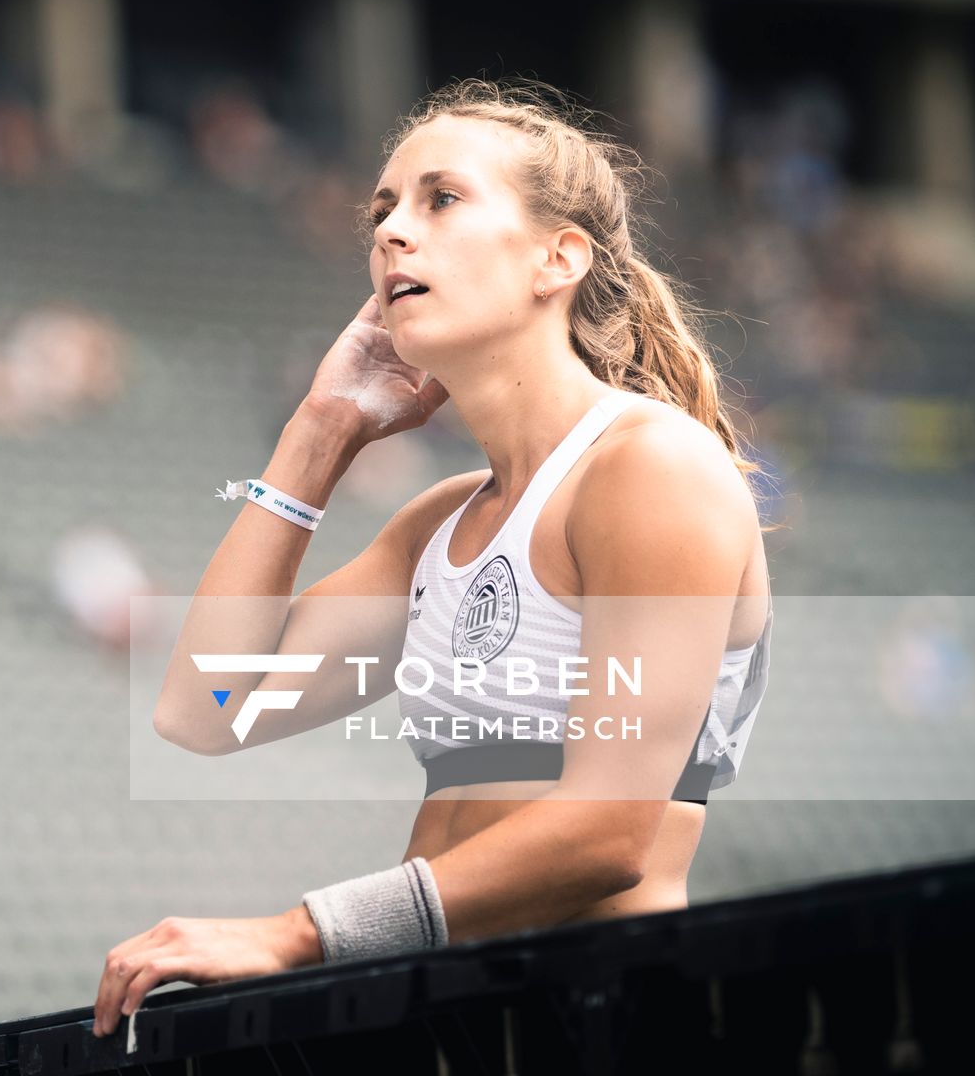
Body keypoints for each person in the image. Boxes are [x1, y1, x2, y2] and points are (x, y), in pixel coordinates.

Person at [93, 78, 776, 1036]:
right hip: (454, 1018)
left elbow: (608, 833)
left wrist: (298, 936)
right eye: (382, 212)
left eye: (440, 200)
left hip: (607, 1024)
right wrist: (319, 434)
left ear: (558, 258)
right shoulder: (439, 524)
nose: (390, 234)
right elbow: (208, 707)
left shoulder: (650, 465)